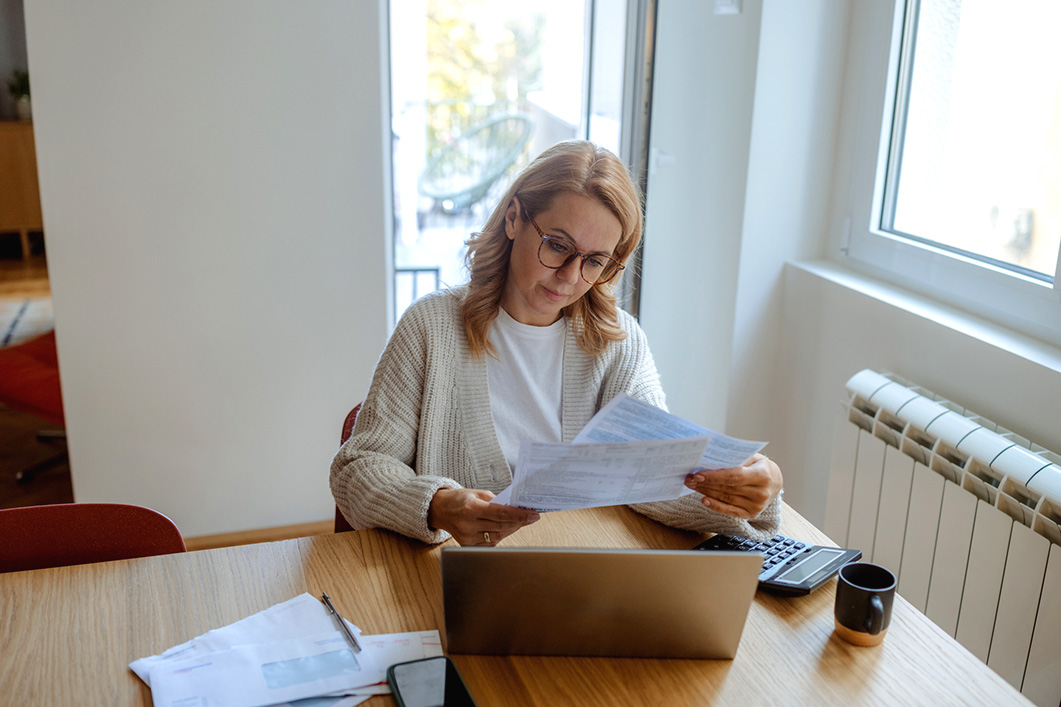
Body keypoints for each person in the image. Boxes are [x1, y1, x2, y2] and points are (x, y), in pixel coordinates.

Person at [330, 140, 783, 546]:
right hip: (453, 572)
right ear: (513, 219)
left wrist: (751, 490)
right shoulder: (431, 328)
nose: (569, 277)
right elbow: (358, 468)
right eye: (558, 245)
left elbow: (652, 485)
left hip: (577, 575)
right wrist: (438, 504)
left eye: (594, 261)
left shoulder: (618, 345)